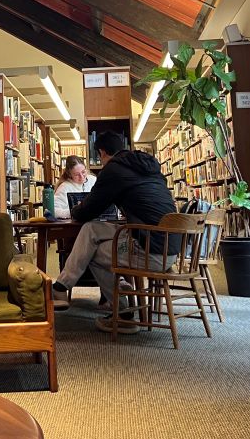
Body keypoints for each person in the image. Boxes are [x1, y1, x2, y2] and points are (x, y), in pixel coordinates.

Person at [51, 132, 178, 334]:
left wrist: (75, 210)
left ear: (102, 152)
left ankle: (124, 314)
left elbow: (88, 209)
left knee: (92, 252)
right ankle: (62, 286)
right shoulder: (148, 166)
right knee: (91, 229)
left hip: (150, 250)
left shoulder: (114, 169)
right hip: (169, 246)